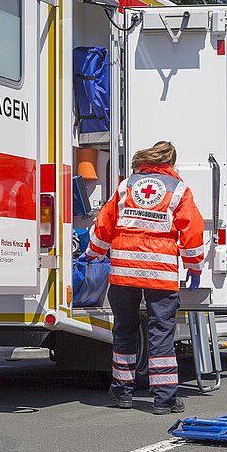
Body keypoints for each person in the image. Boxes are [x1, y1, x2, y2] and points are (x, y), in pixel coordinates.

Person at [85, 141, 204, 414]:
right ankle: (164, 399)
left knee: (124, 331)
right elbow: (191, 231)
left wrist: (93, 253)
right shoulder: (179, 190)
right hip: (160, 273)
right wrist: (194, 267)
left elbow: (105, 223)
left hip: (124, 271)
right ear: (170, 163)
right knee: (160, 334)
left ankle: (122, 393)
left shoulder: (127, 185)